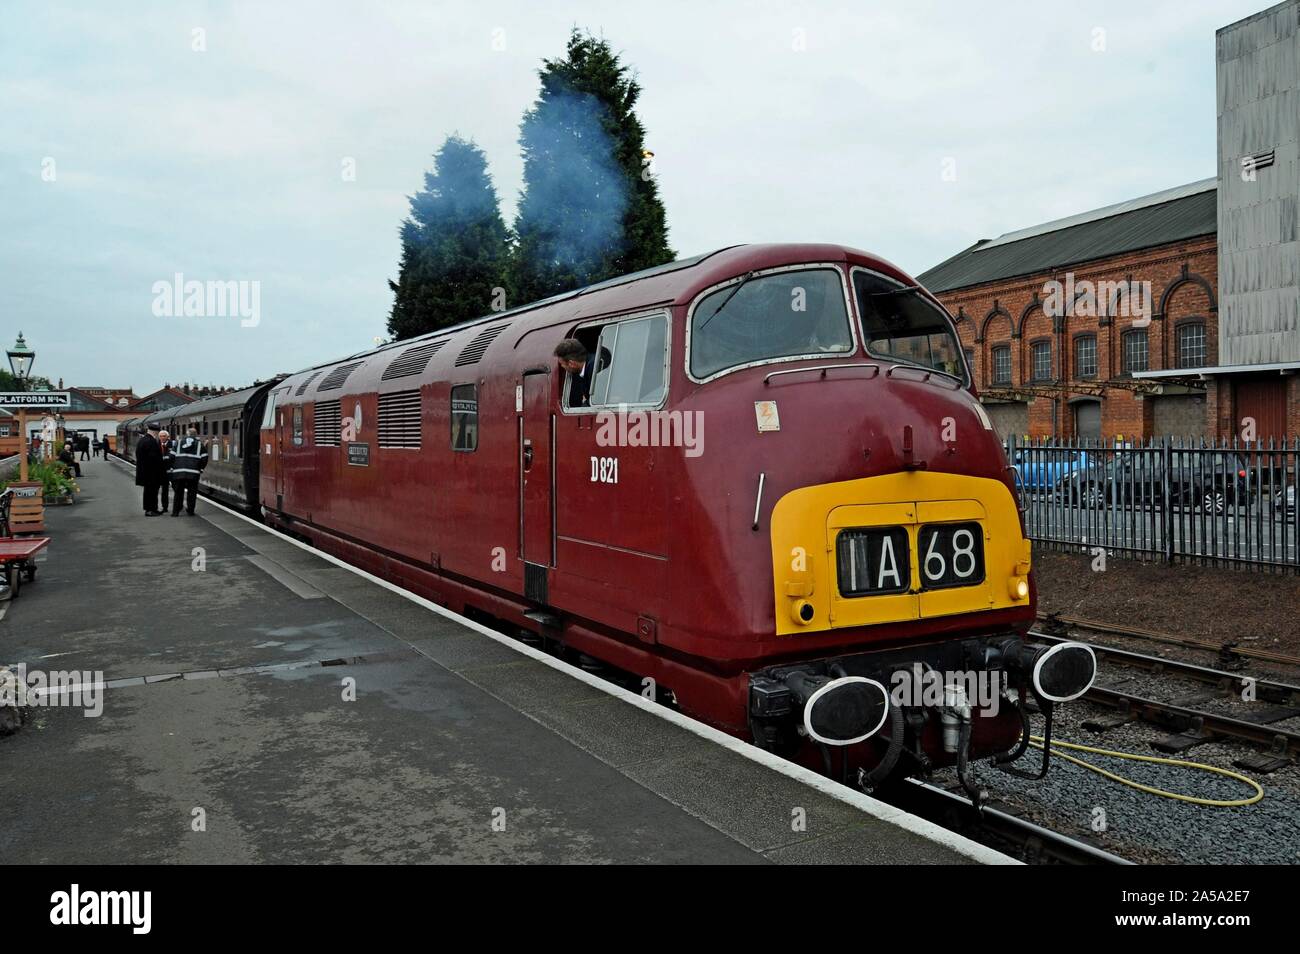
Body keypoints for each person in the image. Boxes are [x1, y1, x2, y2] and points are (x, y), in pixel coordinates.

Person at [169, 426, 208, 516]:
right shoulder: (200, 445)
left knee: (178, 493)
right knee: (192, 492)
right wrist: (201, 469)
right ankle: (190, 511)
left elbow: (171, 457)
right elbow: (205, 458)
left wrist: (173, 467)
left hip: (178, 472)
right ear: (196, 435)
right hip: (193, 473)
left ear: (187, 434)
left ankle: (175, 512)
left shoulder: (178, 443)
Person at [554, 338, 597, 408]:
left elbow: (596, 401)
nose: (562, 367)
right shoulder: (588, 365)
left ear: (571, 363)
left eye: (562, 364)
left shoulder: (593, 367)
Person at [134, 423, 165, 515]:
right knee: (152, 492)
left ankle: (152, 509)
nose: (158, 435)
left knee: (149, 491)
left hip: (145, 472)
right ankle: (150, 510)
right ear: (155, 432)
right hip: (151, 473)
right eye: (157, 433)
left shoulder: (143, 440)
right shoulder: (151, 442)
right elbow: (153, 459)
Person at [158, 430, 174, 513]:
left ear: (167, 437)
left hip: (172, 471)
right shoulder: (157, 445)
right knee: (164, 490)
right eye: (161, 436)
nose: (162, 438)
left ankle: (179, 505)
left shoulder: (173, 445)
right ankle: (165, 507)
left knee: (177, 489)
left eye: (164, 436)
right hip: (163, 472)